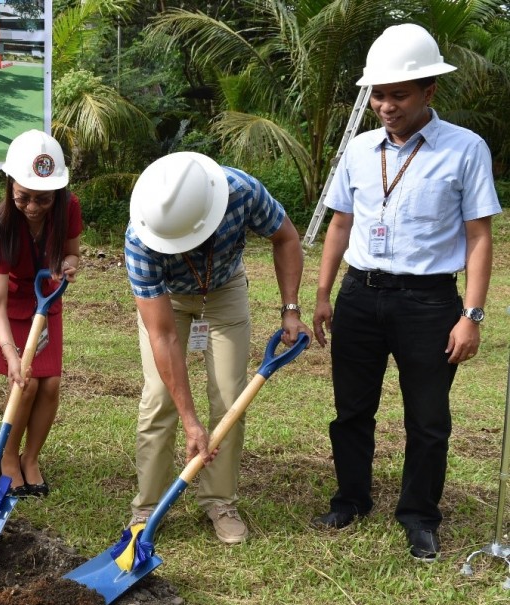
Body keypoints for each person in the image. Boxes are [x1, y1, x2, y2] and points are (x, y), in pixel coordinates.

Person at [311, 24, 501, 561]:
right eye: (378, 94)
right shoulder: (359, 148)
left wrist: (473, 315)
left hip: (429, 303)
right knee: (351, 409)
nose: (386, 106)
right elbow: (341, 224)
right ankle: (350, 499)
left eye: (399, 95)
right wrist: (323, 294)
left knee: (428, 418)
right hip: (359, 295)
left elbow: (479, 235)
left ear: (429, 92)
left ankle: (419, 515)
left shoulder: (465, 149)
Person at [125, 151, 308, 544]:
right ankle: (147, 507)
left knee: (230, 397)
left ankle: (219, 500)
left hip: (223, 292)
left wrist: (290, 308)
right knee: (159, 397)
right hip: (169, 300)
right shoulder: (140, 236)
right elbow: (164, 336)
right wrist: (190, 420)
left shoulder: (241, 191)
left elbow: (287, 237)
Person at [0, 129, 82, 497]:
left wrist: (68, 264)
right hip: (6, 300)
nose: (33, 207)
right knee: (25, 381)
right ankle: (7, 458)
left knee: (50, 383)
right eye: (24, 198)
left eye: (43, 199)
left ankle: (30, 458)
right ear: (10, 186)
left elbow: (72, 253)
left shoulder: (69, 208)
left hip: (46, 295)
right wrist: (11, 355)